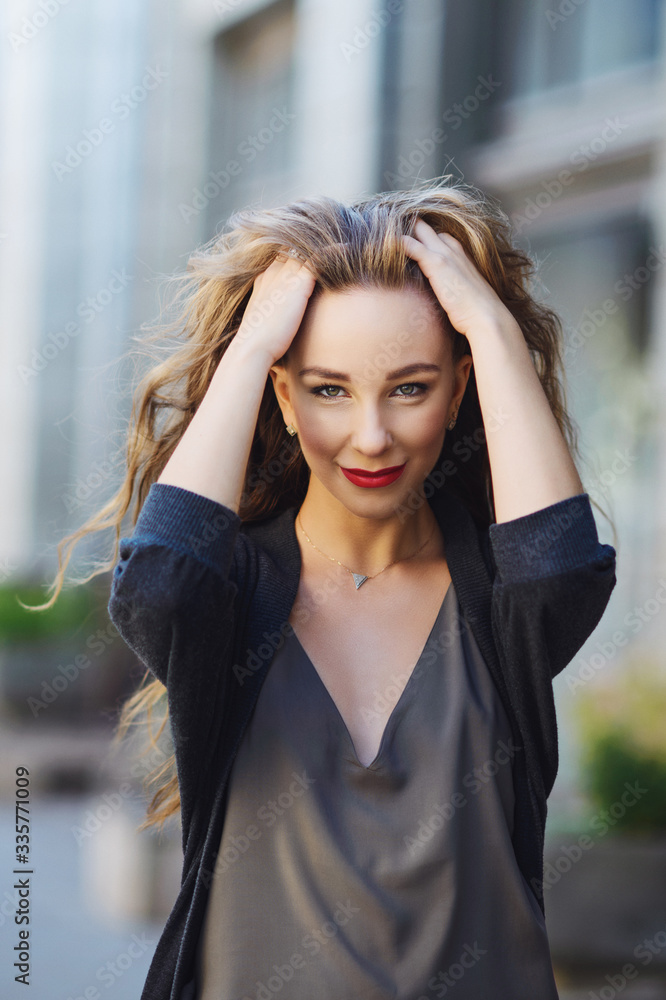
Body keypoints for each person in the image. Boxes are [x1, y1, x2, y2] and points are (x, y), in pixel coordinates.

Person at [50, 180, 616, 999]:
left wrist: (492, 331)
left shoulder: (494, 596)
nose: (371, 436)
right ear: (281, 396)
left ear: (460, 390)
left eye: (411, 388)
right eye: (327, 389)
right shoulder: (234, 591)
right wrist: (249, 350)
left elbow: (559, 566)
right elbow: (160, 586)